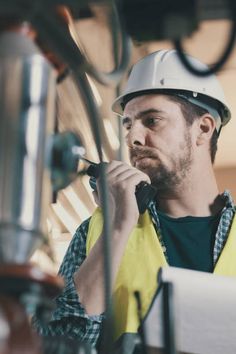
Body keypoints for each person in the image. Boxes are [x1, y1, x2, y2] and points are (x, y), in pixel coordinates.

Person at [33, 49, 236, 352]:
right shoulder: (96, 232)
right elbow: (55, 346)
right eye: (128, 124)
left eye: (151, 120)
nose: (132, 138)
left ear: (203, 128)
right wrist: (118, 227)